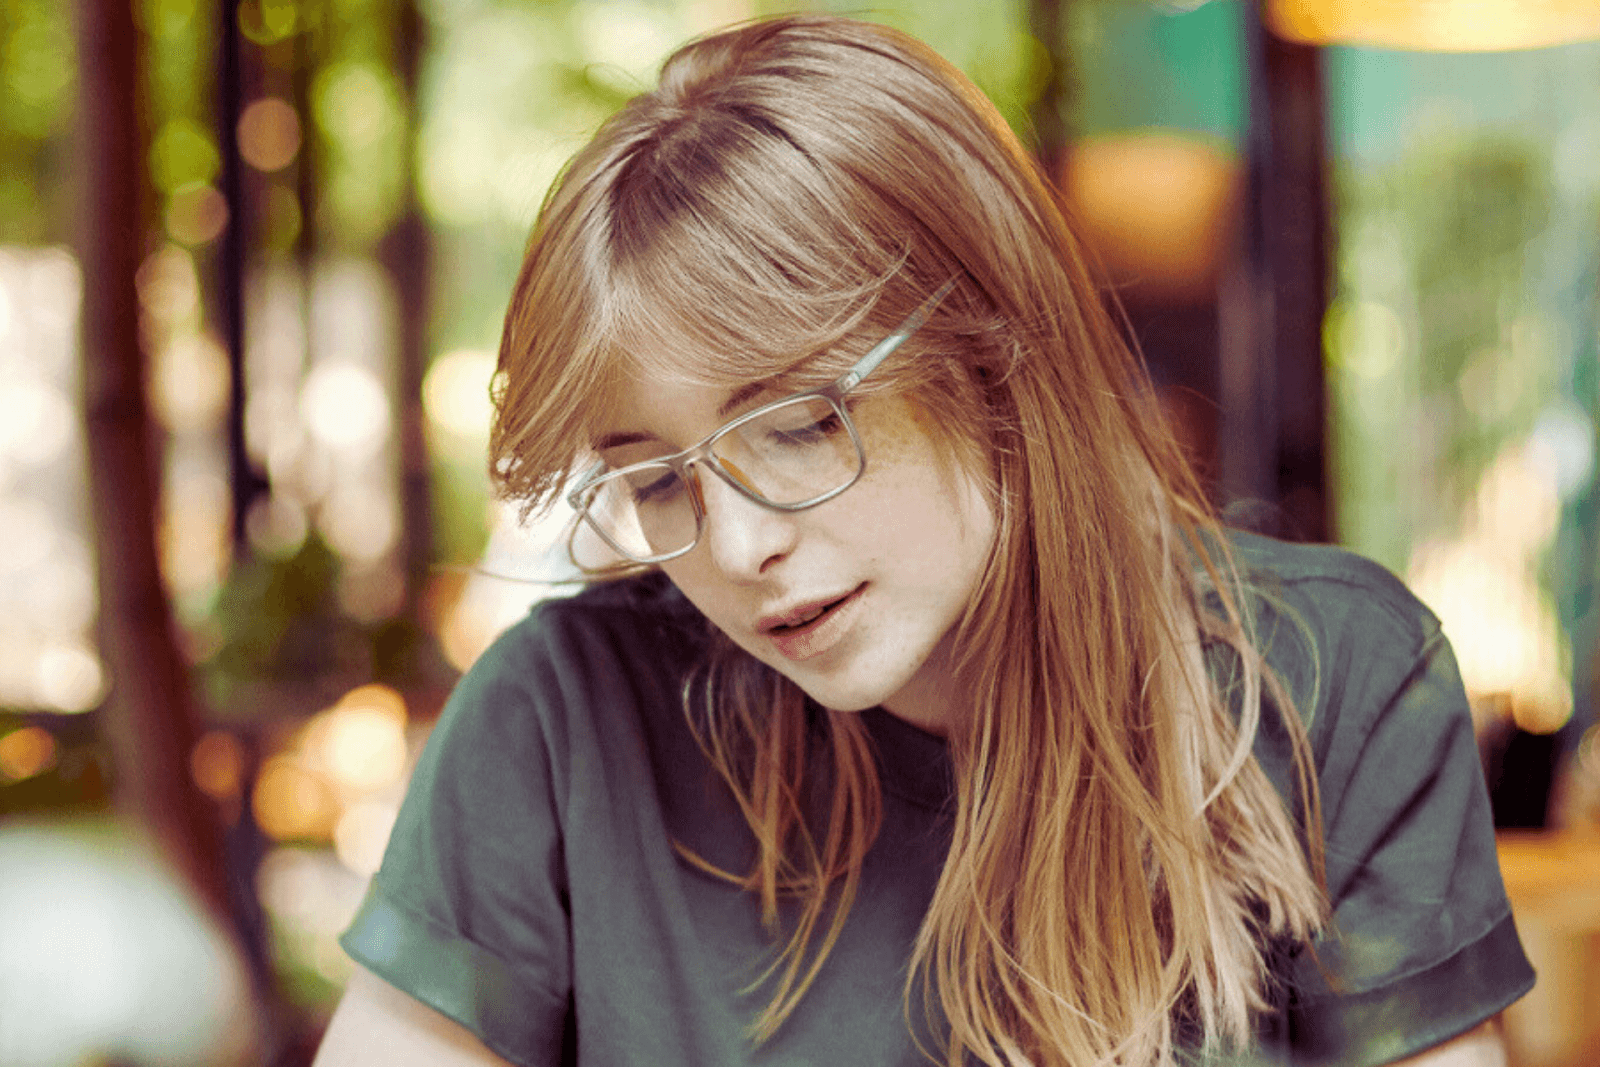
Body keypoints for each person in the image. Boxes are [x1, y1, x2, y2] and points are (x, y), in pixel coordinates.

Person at [314, 15, 1533, 1067]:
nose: (736, 545)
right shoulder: (561, 720)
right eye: (655, 479)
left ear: (993, 345)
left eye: (800, 424)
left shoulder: (1332, 685)